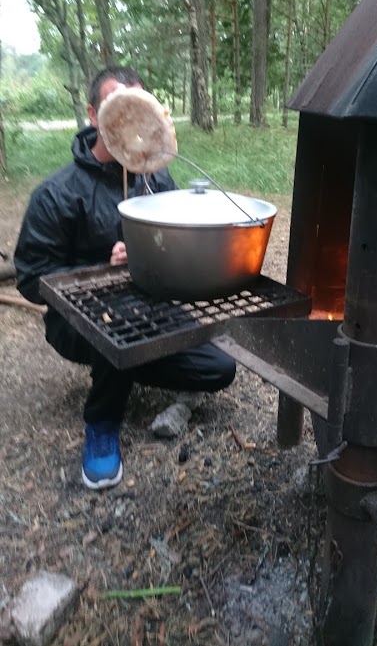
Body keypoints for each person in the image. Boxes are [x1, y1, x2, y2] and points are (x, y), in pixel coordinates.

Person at [14, 66, 236, 490]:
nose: (132, 118)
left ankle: (125, 366)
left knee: (219, 368)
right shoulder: (57, 193)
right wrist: (104, 267)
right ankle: (101, 423)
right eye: (119, 106)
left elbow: (175, 245)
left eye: (140, 107)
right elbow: (30, 277)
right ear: (94, 115)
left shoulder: (155, 177)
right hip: (78, 322)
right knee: (123, 328)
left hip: (152, 309)